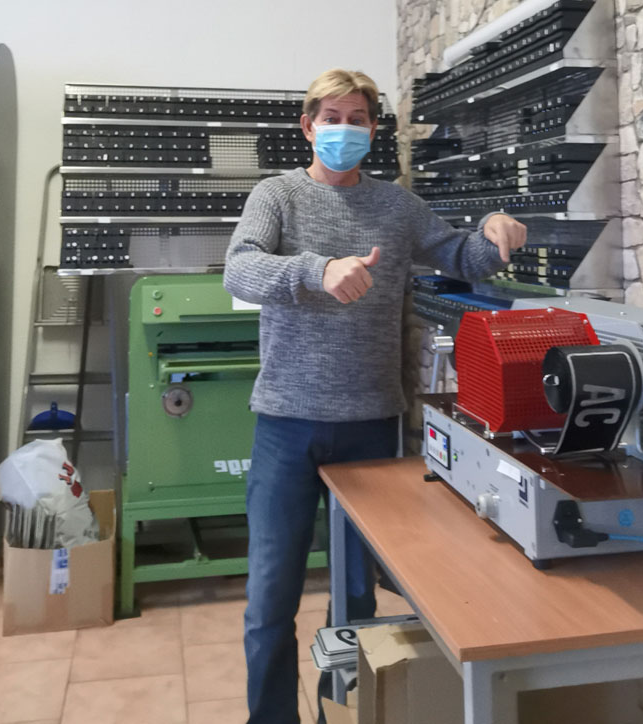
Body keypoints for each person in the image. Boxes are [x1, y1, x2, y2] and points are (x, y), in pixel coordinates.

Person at [223, 68, 526, 724]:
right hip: (285, 423)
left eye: (356, 119)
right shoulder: (276, 195)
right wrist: (319, 269)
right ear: (307, 126)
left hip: (370, 425)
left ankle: (342, 712)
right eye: (331, 118)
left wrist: (496, 228)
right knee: (270, 597)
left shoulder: (396, 206)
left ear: (372, 128)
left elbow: (462, 256)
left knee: (355, 598)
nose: (344, 129)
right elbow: (239, 268)